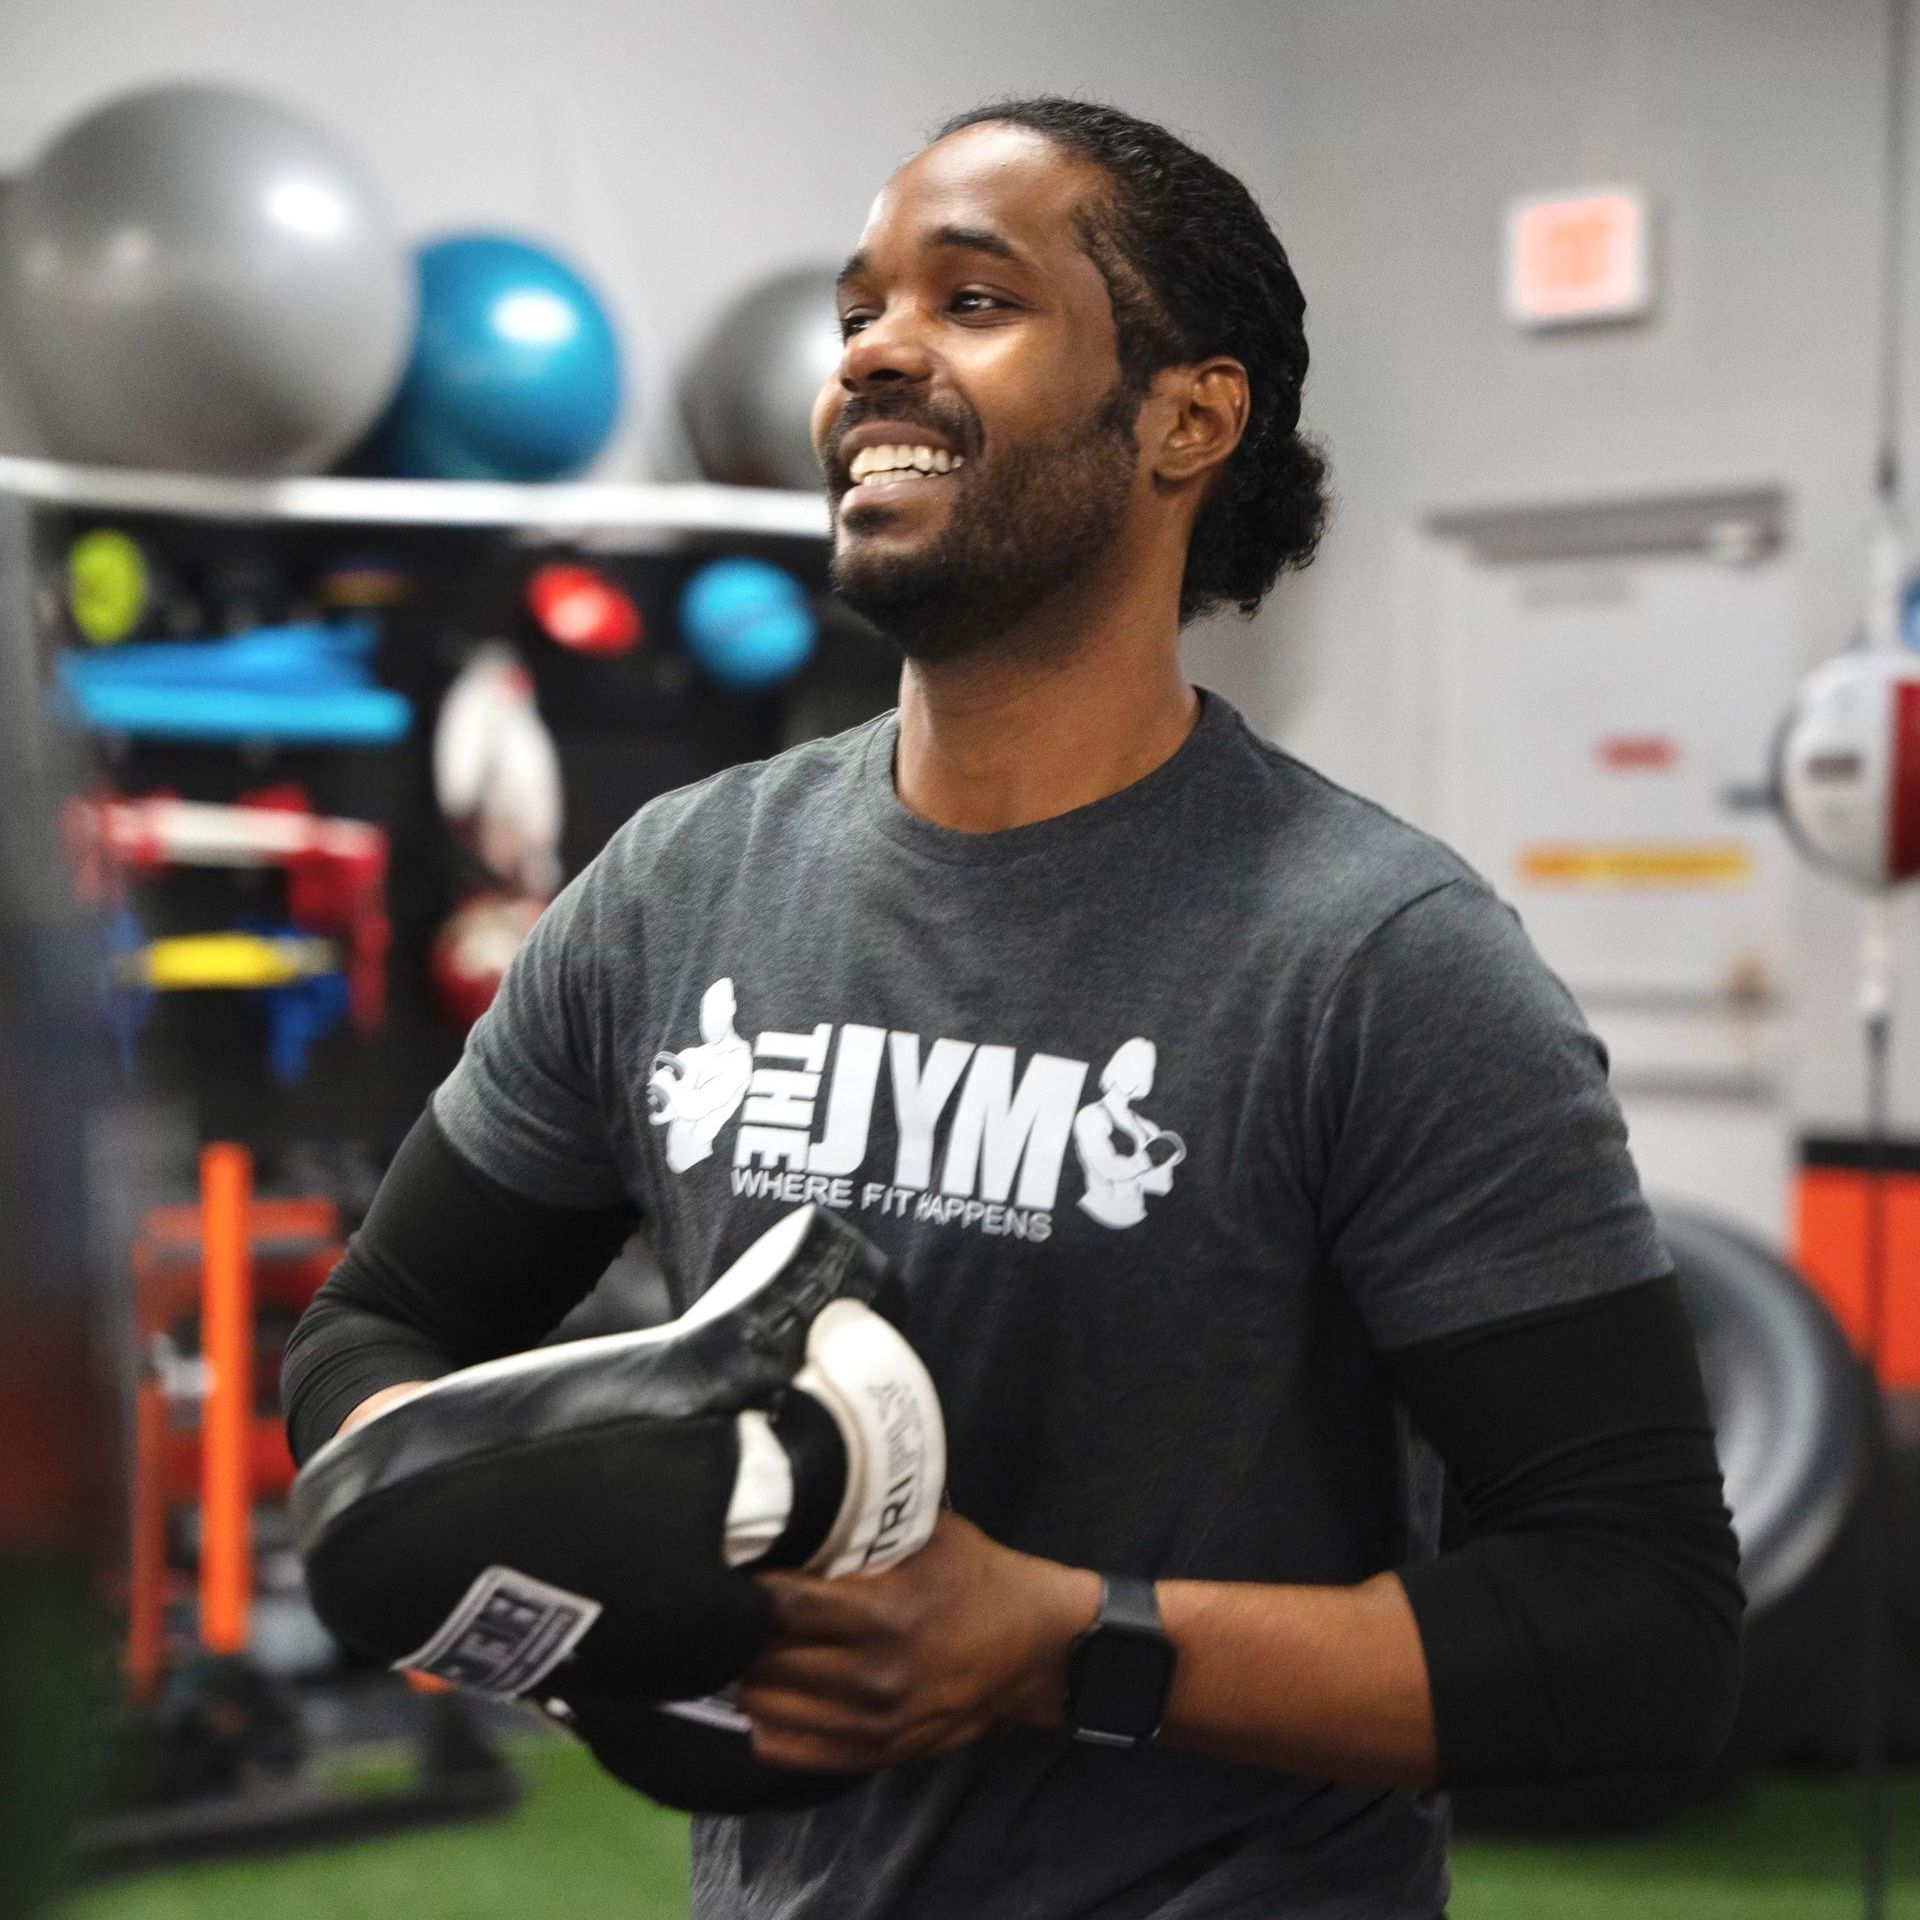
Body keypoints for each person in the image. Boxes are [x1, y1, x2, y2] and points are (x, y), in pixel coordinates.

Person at [284, 97, 1742, 1920]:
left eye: (973, 301)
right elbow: (379, 1326)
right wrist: (524, 1547)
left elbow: (1638, 1623)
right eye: (856, 315)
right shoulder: (676, 885)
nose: (874, 355)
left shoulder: (1380, 960)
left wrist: (1063, 1644)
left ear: (1187, 419)